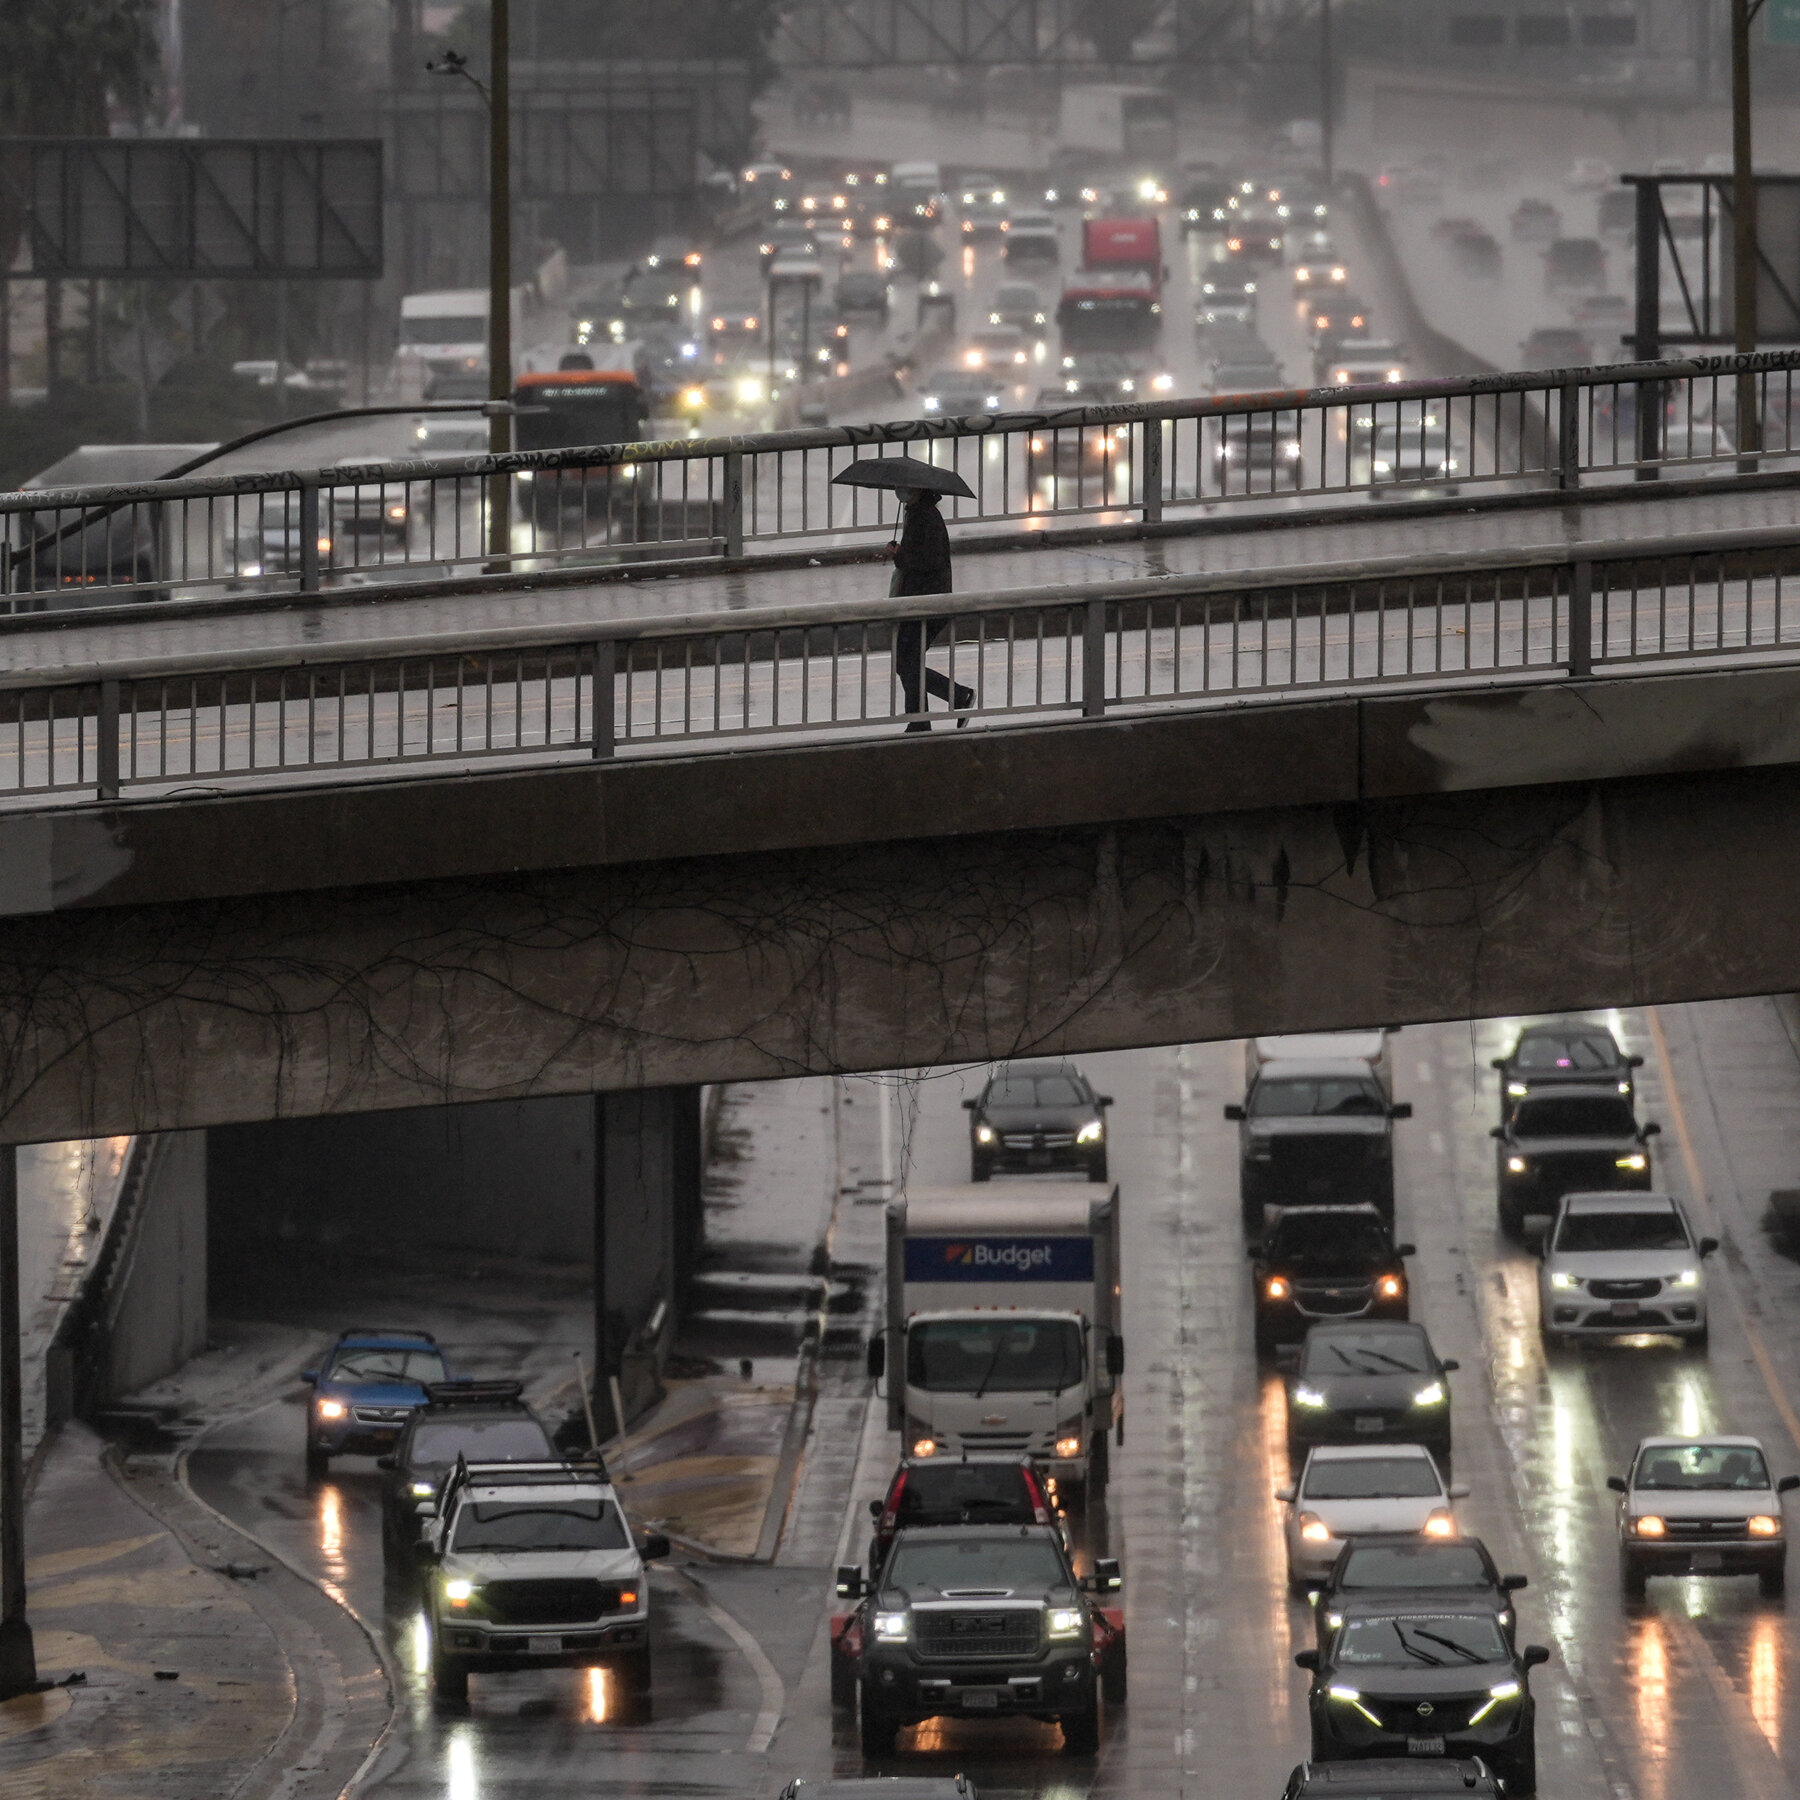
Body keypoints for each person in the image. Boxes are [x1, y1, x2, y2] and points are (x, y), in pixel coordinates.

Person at [888, 485, 974, 733]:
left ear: (917, 490)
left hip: (927, 602)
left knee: (906, 662)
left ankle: (958, 697)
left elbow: (928, 561)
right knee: (908, 661)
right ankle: (921, 721)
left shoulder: (924, 516)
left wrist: (899, 555)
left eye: (904, 488)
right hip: (921, 600)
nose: (899, 491)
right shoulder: (917, 513)